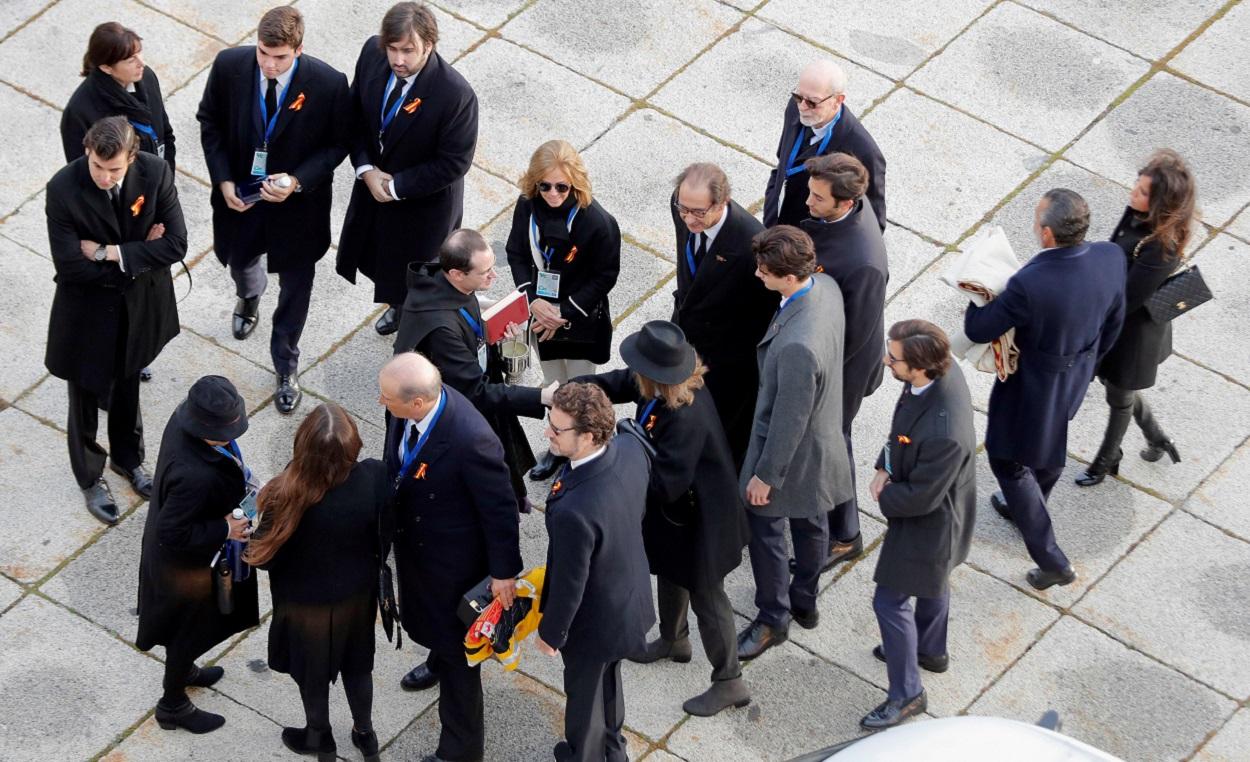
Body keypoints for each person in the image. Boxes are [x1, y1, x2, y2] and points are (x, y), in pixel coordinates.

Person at [577, 321, 752, 717]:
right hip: (678, 521)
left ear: (657, 376)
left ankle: (730, 680)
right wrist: (578, 390)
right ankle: (673, 640)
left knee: (709, 598)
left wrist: (619, 452)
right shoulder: (662, 389)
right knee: (671, 572)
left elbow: (665, 484)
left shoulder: (685, 419)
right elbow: (621, 383)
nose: (634, 374)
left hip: (704, 525)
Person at [965, 189, 1125, 590]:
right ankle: (1027, 506)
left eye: (1037, 221)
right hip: (1076, 373)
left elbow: (977, 329)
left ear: (1049, 234)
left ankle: (1051, 559)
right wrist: (1087, 366)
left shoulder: (1030, 283)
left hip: (1034, 386)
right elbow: (1114, 322)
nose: (1034, 227)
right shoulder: (1110, 257)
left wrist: (974, 290)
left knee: (1007, 460)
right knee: (1048, 446)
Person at [197, 5, 351, 414]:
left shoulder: (328, 83)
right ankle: (249, 297)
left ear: (298, 50)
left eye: (279, 57)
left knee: (296, 289)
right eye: (263, 52)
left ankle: (285, 364)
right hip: (241, 198)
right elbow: (209, 121)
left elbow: (339, 144)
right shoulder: (230, 66)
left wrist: (297, 181)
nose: (268, 63)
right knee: (241, 261)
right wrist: (223, 178)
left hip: (297, 209)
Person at [378, 353, 521, 762]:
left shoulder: (470, 439)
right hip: (420, 549)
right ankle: (437, 659)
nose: (380, 402)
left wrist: (504, 573)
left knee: (462, 667)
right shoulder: (403, 410)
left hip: (455, 566)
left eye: (387, 397)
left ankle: (460, 751)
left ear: (418, 402)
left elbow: (500, 510)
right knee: (435, 628)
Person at [44, 116, 186, 524]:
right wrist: (142, 252)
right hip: (86, 313)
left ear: (132, 158)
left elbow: (176, 243)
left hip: (138, 307)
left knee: (128, 385)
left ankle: (129, 460)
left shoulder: (155, 173)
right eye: (97, 167)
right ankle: (89, 476)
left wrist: (110, 252)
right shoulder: (64, 189)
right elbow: (71, 267)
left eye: (115, 170)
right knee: (85, 397)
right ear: (87, 152)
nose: (105, 177)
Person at [245, 403, 390, 762]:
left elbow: (264, 559)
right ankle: (365, 734)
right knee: (358, 668)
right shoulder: (374, 478)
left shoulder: (285, 495)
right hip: (355, 601)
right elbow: (384, 536)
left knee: (311, 677)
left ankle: (319, 738)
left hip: (303, 607)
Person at [737, 226, 851, 660]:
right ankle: (805, 598)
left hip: (792, 453)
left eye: (765, 271)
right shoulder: (827, 286)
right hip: (822, 444)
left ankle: (773, 618)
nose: (758, 275)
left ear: (787, 276)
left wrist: (766, 475)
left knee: (766, 530)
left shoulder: (798, 346)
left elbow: (789, 419)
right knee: (811, 521)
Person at [338, 1, 479, 337]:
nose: (398, 60)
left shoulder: (455, 95)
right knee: (380, 261)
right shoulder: (372, 56)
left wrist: (396, 187)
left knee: (418, 275)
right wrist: (366, 169)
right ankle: (398, 306)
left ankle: (413, 319)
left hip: (423, 206)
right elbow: (353, 116)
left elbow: (454, 162)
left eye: (408, 50)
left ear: (429, 46)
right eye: (392, 49)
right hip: (373, 187)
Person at [862, 320, 976, 731]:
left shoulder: (944, 431)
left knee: (889, 602)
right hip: (937, 509)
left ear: (921, 367)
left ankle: (907, 694)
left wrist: (883, 493)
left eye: (893, 359)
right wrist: (885, 463)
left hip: (931, 523)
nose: (885, 361)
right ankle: (930, 650)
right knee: (934, 584)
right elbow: (902, 429)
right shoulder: (936, 376)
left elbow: (921, 497)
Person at [535, 383, 654, 762]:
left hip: (595, 622)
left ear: (587, 436)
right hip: (630, 602)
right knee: (609, 681)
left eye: (557, 429)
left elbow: (572, 582)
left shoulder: (576, 511)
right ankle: (613, 746)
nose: (547, 433)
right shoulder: (630, 451)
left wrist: (550, 633)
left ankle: (584, 755)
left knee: (584, 698)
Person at [394, 229, 555, 506]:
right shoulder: (441, 331)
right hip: (454, 416)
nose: (493, 277)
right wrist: (540, 397)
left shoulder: (447, 284)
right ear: (457, 273)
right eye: (485, 272)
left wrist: (491, 333)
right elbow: (476, 391)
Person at [135, 376, 259, 734]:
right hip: (185, 567)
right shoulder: (193, 476)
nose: (233, 434)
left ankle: (185, 669)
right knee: (186, 632)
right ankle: (172, 704)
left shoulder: (182, 420)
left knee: (192, 630)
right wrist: (225, 529)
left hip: (189, 556)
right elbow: (172, 532)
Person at [505, 139, 622, 480]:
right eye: (545, 186)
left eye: (561, 186)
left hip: (580, 318)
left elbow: (605, 276)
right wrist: (534, 301)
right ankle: (559, 449)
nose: (553, 193)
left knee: (583, 390)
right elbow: (516, 253)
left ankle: (591, 454)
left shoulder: (598, 222)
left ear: (575, 183)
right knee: (555, 384)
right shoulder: (527, 207)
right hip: (542, 313)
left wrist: (564, 314)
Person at [1077, 150, 1195, 485]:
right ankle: (1157, 437)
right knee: (1117, 388)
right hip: (1117, 320)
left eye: (1142, 192)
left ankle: (1107, 457)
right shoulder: (1137, 216)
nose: (1133, 194)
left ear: (1160, 202)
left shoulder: (1163, 247)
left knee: (1118, 394)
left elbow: (1127, 299)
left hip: (1134, 335)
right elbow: (1115, 251)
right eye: (1136, 186)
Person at [799, 152, 889, 572]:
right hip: (831, 352)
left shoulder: (863, 262)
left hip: (843, 368)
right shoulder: (846, 209)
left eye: (818, 198)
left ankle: (846, 533)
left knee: (831, 443)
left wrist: (821, 381)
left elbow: (858, 333)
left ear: (846, 203)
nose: (808, 203)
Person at [669, 162, 776, 466]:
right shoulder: (683, 208)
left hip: (727, 359)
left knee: (720, 435)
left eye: (699, 212)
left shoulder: (750, 243)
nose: (689, 219)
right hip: (687, 336)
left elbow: (762, 314)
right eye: (683, 209)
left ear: (723, 202)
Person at [763, 59, 886, 231]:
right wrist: (770, 206)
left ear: (838, 100)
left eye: (812, 102)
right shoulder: (795, 107)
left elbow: (873, 224)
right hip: (775, 224)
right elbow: (782, 163)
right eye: (798, 97)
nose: (803, 107)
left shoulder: (863, 150)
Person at [62, 22, 175, 169]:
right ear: (106, 68)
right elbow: (83, 171)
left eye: (139, 53)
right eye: (130, 60)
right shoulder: (79, 112)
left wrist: (166, 179)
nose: (141, 63)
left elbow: (165, 133)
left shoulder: (146, 77)